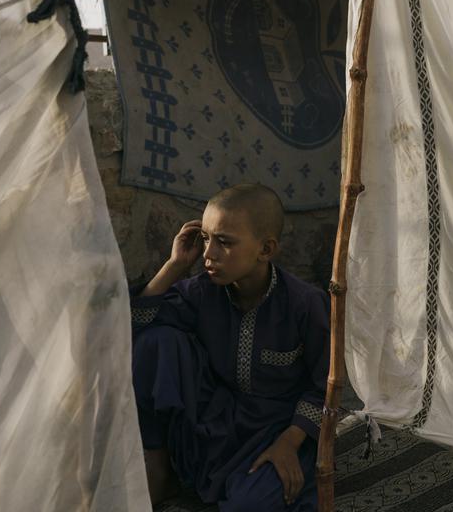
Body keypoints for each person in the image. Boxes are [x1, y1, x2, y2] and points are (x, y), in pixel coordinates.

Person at [130, 183, 329, 510]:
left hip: (274, 430)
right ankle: (158, 463)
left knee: (248, 505)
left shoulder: (305, 304)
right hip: (216, 423)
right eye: (206, 238)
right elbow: (137, 325)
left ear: (265, 249)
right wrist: (175, 265)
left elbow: (325, 388)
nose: (208, 254)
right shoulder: (201, 292)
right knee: (155, 341)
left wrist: (288, 444)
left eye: (224, 242)